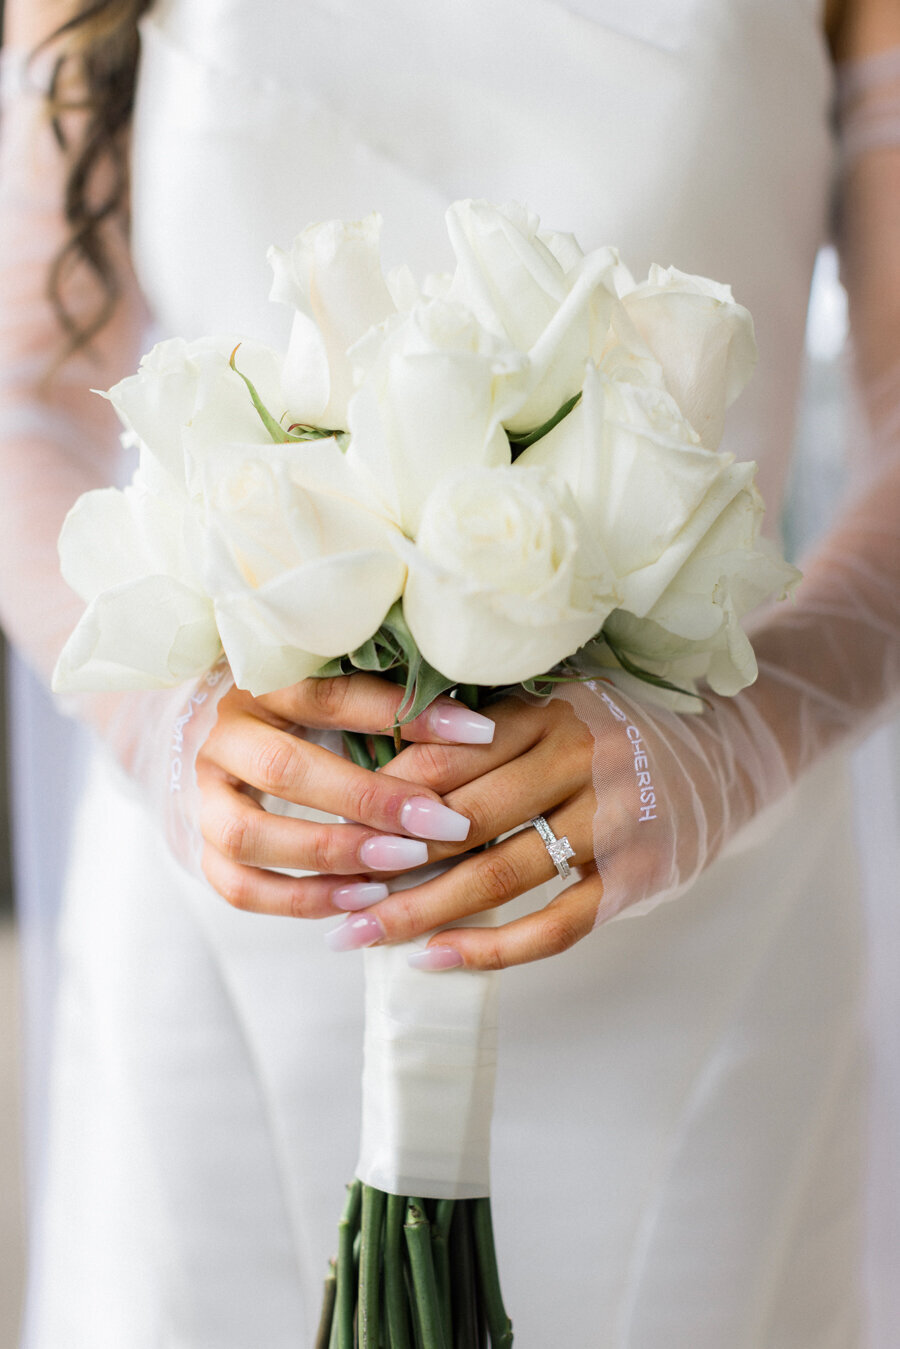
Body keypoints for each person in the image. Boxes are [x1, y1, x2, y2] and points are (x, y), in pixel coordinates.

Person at [1, 0, 898, 1343]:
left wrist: (742, 740)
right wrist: (157, 723)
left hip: (695, 928)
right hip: (235, 927)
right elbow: (24, 400)